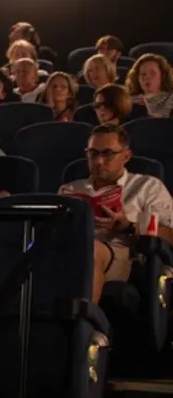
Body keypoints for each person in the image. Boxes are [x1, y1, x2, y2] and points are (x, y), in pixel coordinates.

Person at [61, 124, 173, 303]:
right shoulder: (71, 189)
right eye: (93, 153)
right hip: (70, 249)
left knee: (91, 249)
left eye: (108, 154)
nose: (98, 161)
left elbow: (169, 234)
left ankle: (84, 324)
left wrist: (129, 226)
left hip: (123, 255)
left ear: (126, 156)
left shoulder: (147, 187)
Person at [127, 53, 173, 117]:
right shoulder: (128, 101)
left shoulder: (171, 98)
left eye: (152, 73)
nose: (147, 77)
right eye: (143, 74)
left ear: (162, 76)